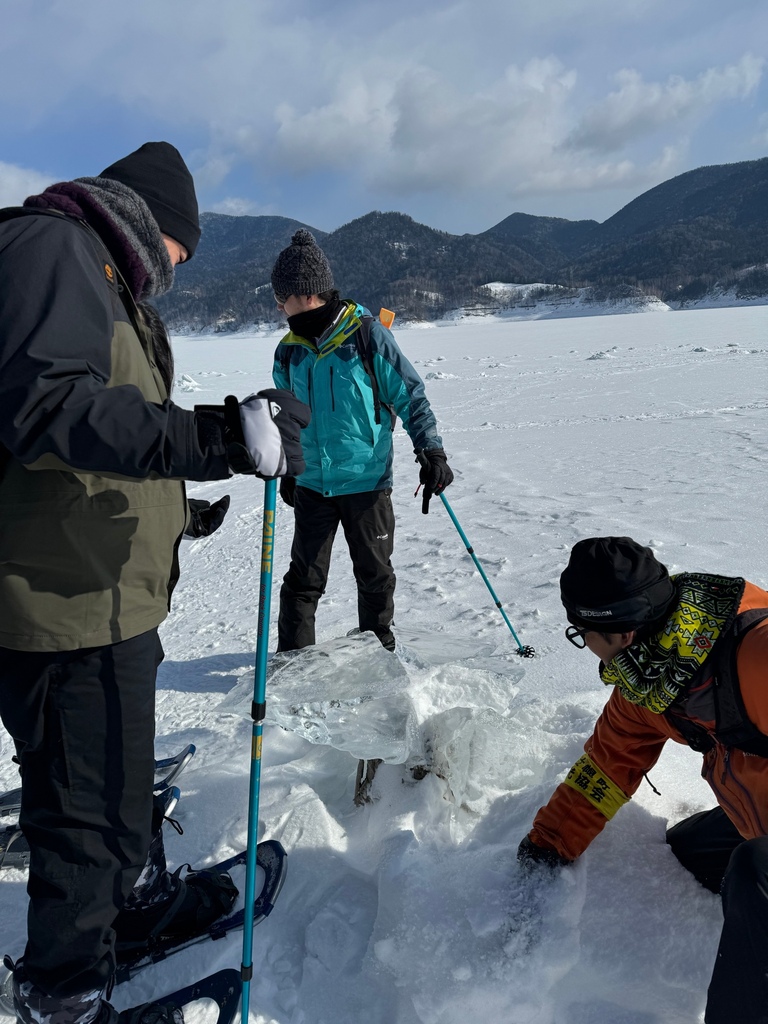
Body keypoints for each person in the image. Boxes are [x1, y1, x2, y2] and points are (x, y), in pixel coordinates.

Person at [0, 141, 310, 1024]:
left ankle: (116, 917)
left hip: (96, 590)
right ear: (153, 223)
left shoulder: (96, 272)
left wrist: (179, 511)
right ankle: (64, 989)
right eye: (183, 252)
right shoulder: (51, 249)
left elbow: (92, 441)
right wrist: (214, 438)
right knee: (86, 814)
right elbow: (47, 410)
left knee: (114, 789)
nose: (177, 272)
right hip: (62, 608)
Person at [518, 536, 768, 1024]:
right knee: (685, 854)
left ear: (620, 633)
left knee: (755, 871)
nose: (583, 643)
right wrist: (546, 848)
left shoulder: (754, 653)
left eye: (580, 631)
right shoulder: (654, 677)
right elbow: (609, 763)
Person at [270, 229, 453, 653]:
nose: (278, 305)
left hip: (366, 483)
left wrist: (431, 450)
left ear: (304, 293)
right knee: (303, 581)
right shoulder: (288, 352)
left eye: (282, 296)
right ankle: (294, 663)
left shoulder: (366, 337)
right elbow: (285, 419)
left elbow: (410, 396)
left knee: (374, 576)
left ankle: (377, 654)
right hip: (313, 484)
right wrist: (288, 465)